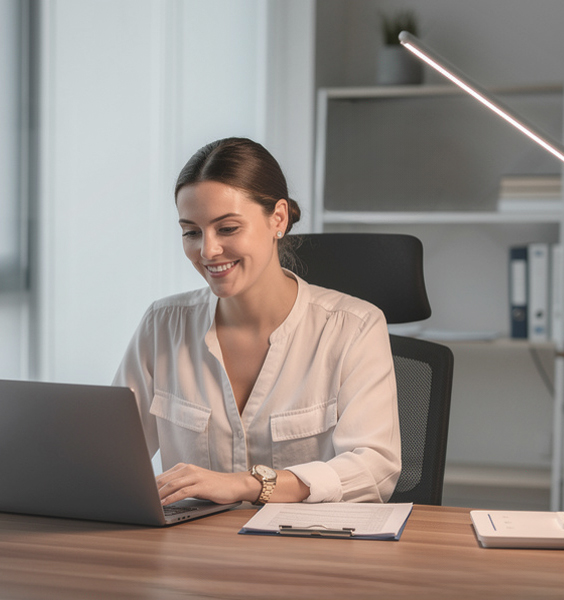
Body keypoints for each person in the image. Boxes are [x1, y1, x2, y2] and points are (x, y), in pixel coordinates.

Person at [113, 137, 400, 507]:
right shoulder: (163, 324)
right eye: (191, 232)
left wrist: (247, 485)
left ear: (277, 219)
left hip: (308, 552)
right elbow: (114, 456)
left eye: (228, 228)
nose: (208, 251)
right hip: (194, 552)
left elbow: (375, 468)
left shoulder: (354, 327)